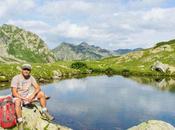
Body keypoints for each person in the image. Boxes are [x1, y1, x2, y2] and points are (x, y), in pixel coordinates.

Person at [11, 64, 54, 130]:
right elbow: (14, 93)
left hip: (27, 96)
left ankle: (44, 112)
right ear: (22, 70)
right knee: (17, 101)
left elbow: (38, 88)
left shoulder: (31, 77)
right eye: (25, 69)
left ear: (30, 71)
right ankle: (20, 122)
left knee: (41, 94)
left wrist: (32, 96)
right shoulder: (16, 78)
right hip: (18, 97)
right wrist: (24, 98)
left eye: (28, 70)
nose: (26, 71)